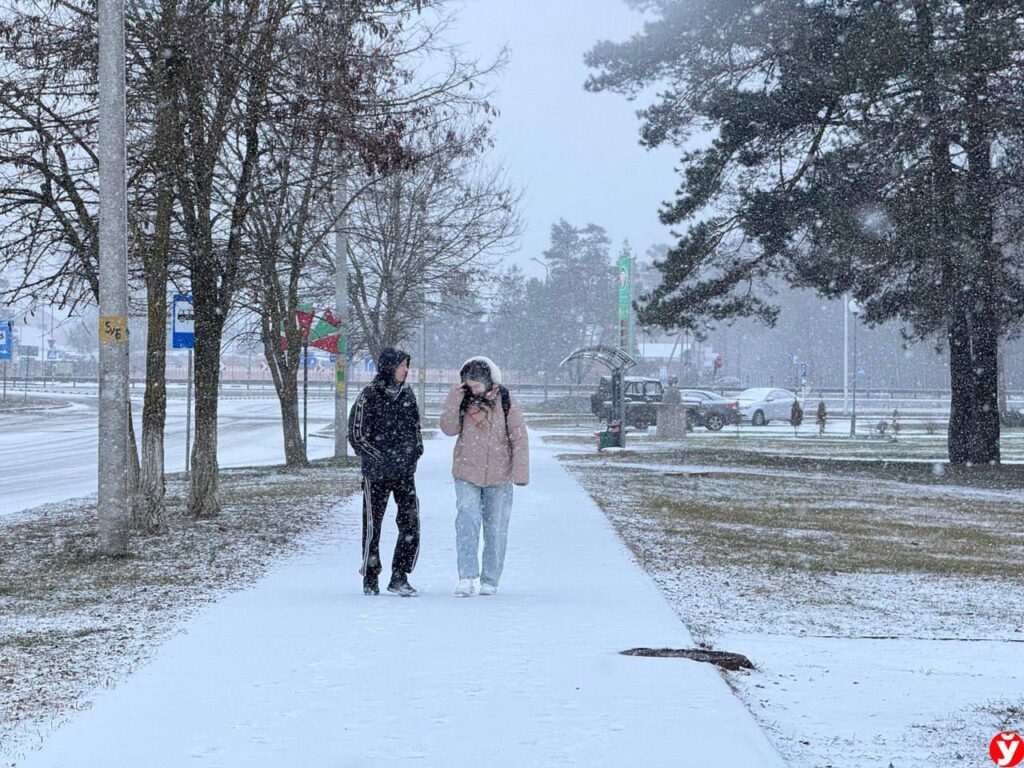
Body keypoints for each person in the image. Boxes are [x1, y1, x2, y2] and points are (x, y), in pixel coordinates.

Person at [439, 357, 529, 597]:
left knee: (496, 528)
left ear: (489, 381)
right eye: (470, 385)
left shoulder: (505, 400)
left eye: (478, 384)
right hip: (466, 473)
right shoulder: (462, 401)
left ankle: (490, 579)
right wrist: (454, 399)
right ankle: (466, 576)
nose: (474, 389)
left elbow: (519, 437)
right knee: (467, 522)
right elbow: (448, 429)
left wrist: (520, 472)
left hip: (499, 475)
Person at [348, 347, 423, 597]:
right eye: (403, 365)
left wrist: (414, 452)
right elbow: (356, 435)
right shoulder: (368, 396)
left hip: (404, 473)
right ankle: (371, 576)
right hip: (376, 475)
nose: (406, 370)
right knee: (372, 526)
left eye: (407, 365)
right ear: (390, 367)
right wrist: (379, 457)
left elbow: (415, 428)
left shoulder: (408, 395)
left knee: (410, 522)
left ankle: (400, 575)